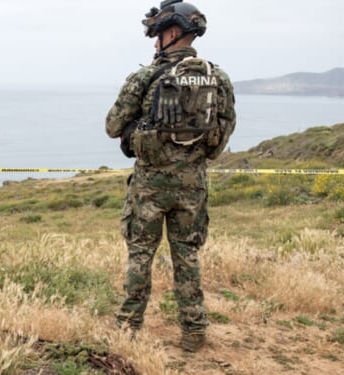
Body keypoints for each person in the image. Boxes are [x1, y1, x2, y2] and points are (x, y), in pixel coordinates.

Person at [105, 0, 236, 352]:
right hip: (193, 187)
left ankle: (127, 327)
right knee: (188, 256)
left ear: (173, 32)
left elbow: (112, 125)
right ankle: (194, 332)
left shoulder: (146, 76)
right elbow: (221, 138)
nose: (154, 42)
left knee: (140, 256)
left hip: (149, 186)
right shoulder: (218, 78)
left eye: (158, 34)